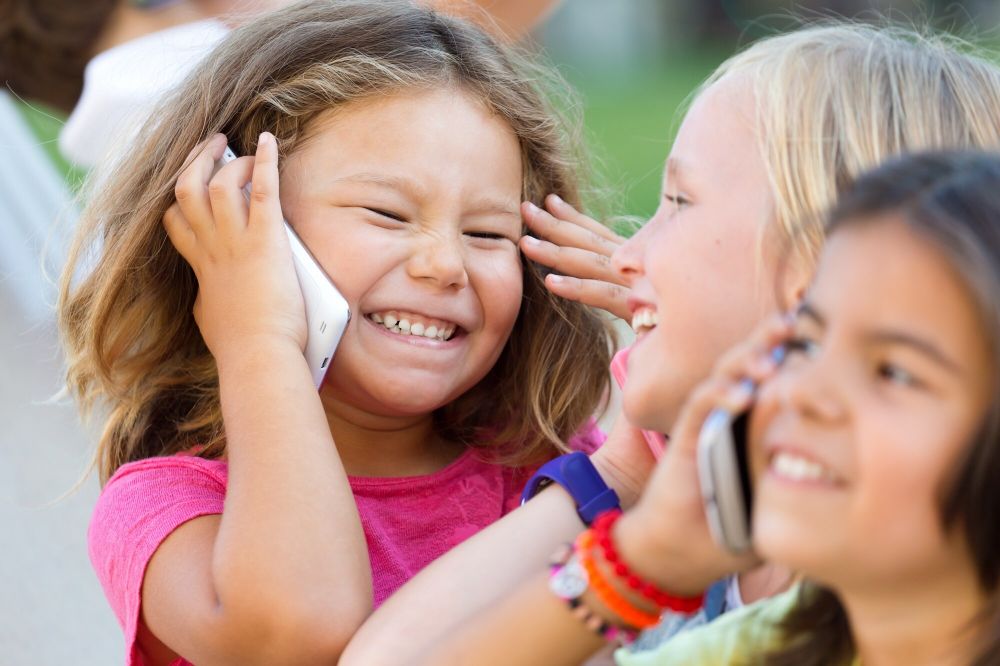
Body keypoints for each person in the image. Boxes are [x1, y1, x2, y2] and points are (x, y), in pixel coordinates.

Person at [339, 21, 1000, 665]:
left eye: (679, 201)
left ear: (823, 270)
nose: (628, 255)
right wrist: (624, 470)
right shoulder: (726, 589)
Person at [57, 2, 610, 664]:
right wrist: (260, 340)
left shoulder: (552, 461)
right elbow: (301, 633)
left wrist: (662, 313)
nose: (445, 265)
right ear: (240, 225)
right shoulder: (167, 508)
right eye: (387, 214)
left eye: (488, 234)